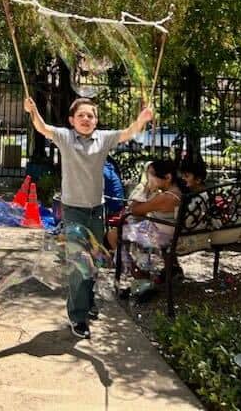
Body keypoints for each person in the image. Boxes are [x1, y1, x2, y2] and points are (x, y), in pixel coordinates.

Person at [23, 95, 153, 339]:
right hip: (73, 211)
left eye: (90, 115)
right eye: (80, 115)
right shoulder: (65, 137)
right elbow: (41, 128)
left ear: (96, 121)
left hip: (97, 210)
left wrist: (142, 119)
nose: (86, 119)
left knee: (92, 263)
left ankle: (89, 302)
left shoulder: (103, 139)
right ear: (72, 120)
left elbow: (128, 132)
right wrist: (33, 111)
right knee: (77, 266)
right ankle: (78, 316)